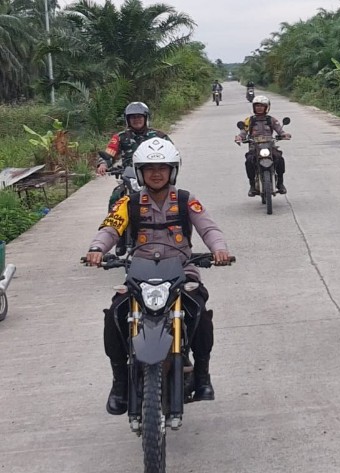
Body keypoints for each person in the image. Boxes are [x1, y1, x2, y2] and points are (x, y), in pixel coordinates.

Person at [85, 138, 231, 415]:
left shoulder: (187, 200)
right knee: (115, 314)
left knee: (198, 309)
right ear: (140, 172)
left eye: (162, 168)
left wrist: (219, 249)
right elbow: (109, 229)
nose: (156, 173)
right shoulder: (129, 202)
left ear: (172, 170)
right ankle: (119, 384)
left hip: (181, 269)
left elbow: (209, 228)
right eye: (149, 168)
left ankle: (202, 376)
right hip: (139, 272)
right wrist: (96, 249)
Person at [96, 102, 170, 207]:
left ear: (146, 118)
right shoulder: (120, 137)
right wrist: (103, 164)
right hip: (130, 175)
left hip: (153, 174)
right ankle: (113, 222)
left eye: (139, 117)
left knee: (173, 197)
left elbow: (171, 152)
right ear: (128, 120)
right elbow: (110, 153)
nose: (136, 120)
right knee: (115, 198)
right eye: (133, 117)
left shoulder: (159, 136)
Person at [234, 95, 291, 196]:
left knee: (279, 158)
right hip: (254, 148)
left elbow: (279, 129)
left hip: (270, 146)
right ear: (253, 107)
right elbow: (243, 131)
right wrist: (239, 137)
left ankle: (280, 183)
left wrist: (284, 134)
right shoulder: (249, 120)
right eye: (257, 106)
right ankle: (252, 185)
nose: (259, 107)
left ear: (267, 107)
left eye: (262, 106)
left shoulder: (271, 120)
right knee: (249, 161)